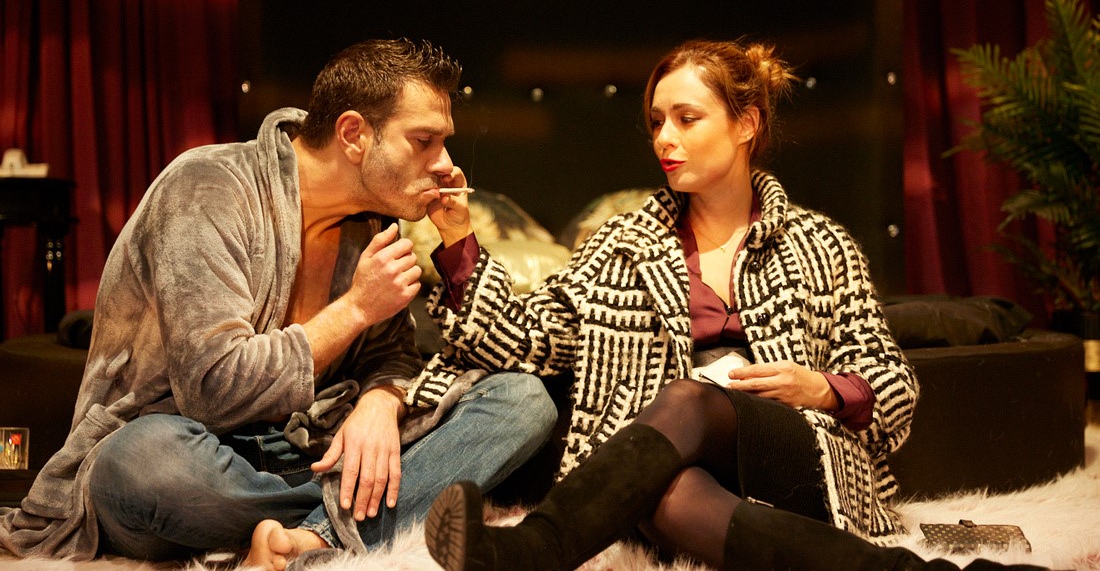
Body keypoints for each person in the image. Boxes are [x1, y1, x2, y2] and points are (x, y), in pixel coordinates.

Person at [413, 39, 1041, 571]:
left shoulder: (819, 244)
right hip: (656, 464)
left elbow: (893, 383)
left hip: (796, 453)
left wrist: (822, 388)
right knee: (667, 495)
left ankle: (537, 549)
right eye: (657, 122)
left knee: (690, 397)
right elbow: (522, 339)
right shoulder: (623, 245)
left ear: (746, 124)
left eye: (687, 119)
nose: (665, 138)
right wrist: (458, 237)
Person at [0, 39, 555, 570]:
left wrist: (381, 402)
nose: (445, 163)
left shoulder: (372, 221)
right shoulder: (208, 188)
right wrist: (354, 309)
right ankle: (368, 510)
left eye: (444, 142)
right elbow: (212, 390)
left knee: (524, 400)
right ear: (354, 135)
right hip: (200, 453)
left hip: (318, 449)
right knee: (139, 464)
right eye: (424, 141)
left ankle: (309, 537)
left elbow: (393, 357)